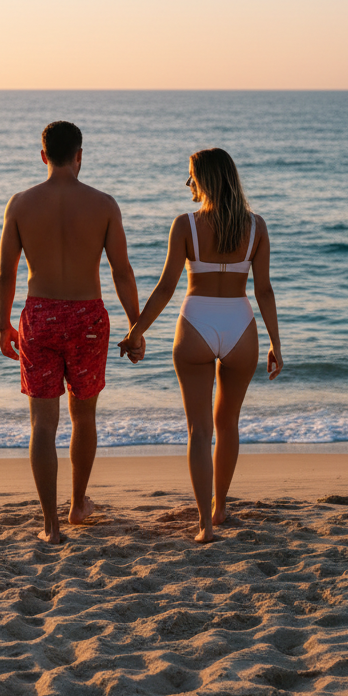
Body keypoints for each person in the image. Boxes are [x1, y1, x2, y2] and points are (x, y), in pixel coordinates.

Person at [119, 148, 283, 543]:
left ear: (205, 180)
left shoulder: (185, 226)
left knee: (199, 430)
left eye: (191, 175)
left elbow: (165, 288)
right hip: (241, 325)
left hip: (195, 323)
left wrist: (136, 331)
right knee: (228, 425)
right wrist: (277, 344)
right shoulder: (256, 227)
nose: (187, 182)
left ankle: (204, 526)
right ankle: (220, 506)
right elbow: (264, 290)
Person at [0, 120, 144, 544]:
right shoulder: (104, 205)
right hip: (88, 320)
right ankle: (78, 504)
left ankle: (50, 526)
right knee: (84, 416)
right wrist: (136, 326)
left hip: (39, 316)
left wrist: (3, 323)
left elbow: (6, 272)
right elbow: (122, 272)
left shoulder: (21, 204)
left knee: (43, 426)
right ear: (80, 155)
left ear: (43, 156)